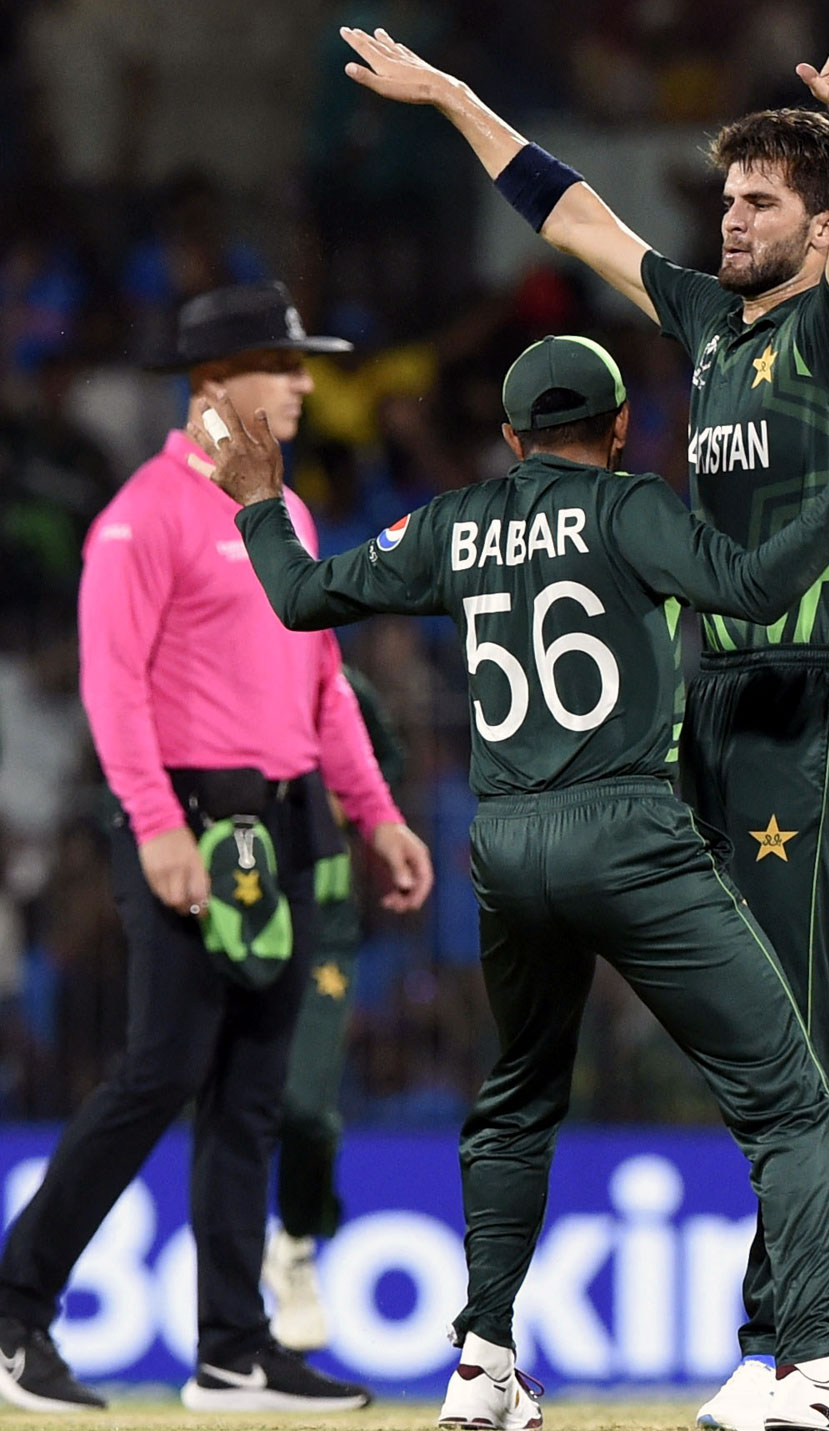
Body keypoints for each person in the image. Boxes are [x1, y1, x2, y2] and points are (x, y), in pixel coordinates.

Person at [337, 16, 829, 1430]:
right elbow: (571, 212)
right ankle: (811, 1334)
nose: (732, 218)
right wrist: (456, 95)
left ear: (815, 232)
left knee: (797, 1032)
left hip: (812, 703)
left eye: (762, 202)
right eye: (728, 200)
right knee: (764, 1038)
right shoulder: (706, 323)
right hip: (714, 712)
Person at [194, 337, 829, 1431]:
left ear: (509, 439)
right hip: (630, 831)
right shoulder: (631, 509)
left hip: (507, 845)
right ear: (623, 426)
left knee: (518, 1097)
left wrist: (259, 502)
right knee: (789, 1091)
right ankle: (814, 1364)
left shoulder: (452, 521)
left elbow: (301, 598)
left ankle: (483, 1361)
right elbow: (761, 583)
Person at [0, 280, 433, 1415]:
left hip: (285, 817)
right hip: (193, 819)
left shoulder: (281, 516)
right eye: (281, 367)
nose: (302, 385)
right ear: (213, 385)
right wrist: (154, 826)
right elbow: (112, 688)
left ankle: (233, 1352)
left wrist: (375, 812)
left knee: (249, 1092)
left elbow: (325, 682)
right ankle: (13, 1314)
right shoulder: (141, 517)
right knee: (158, 1073)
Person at [263, 664, 408, 1352]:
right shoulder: (204, 668)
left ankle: (294, 1244)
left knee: (306, 1106)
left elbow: (388, 761)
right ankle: (230, 1302)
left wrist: (348, 802)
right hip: (231, 913)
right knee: (223, 1102)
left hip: (323, 924)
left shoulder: (339, 683)